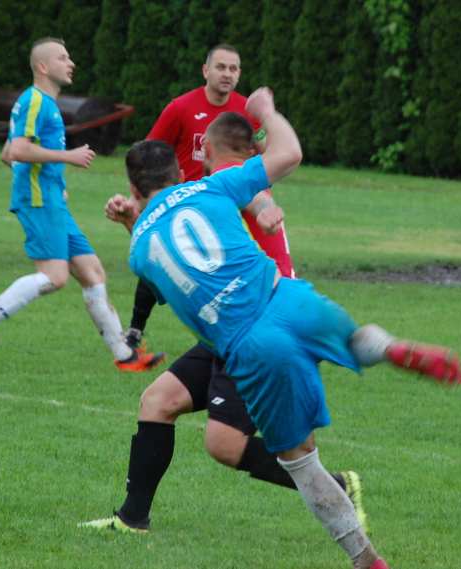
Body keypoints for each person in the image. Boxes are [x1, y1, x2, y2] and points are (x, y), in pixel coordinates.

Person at [116, 90, 461, 569]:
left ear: (134, 190)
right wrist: (266, 113)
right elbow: (290, 154)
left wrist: (133, 223)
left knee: (302, 464)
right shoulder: (213, 187)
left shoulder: (139, 247)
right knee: (354, 342)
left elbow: (160, 269)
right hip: (288, 297)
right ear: (180, 173)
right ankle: (387, 347)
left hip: (253, 347)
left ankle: (368, 560)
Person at [81, 113, 361, 534]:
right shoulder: (204, 190)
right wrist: (136, 222)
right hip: (233, 326)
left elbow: (254, 202)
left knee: (225, 445)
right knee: (158, 401)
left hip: (251, 327)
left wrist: (135, 223)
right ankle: (132, 518)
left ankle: (336, 487)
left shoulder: (218, 182)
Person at [0, 37, 164, 372]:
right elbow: (19, 150)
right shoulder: (35, 101)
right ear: (43, 66)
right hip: (39, 202)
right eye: (63, 57)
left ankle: (125, 355)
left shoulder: (43, 103)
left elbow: (8, 154)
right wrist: (66, 158)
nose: (71, 63)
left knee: (93, 272)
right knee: (54, 277)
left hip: (49, 198)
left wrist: (52, 180)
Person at [125, 42, 284, 350]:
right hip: (182, 204)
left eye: (234, 68)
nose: (227, 74)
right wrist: (139, 197)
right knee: (161, 260)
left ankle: (247, 333)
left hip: (230, 205)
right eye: (221, 67)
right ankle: (135, 328)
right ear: (205, 70)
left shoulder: (245, 111)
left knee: (238, 266)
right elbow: (148, 153)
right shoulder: (181, 107)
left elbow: (265, 154)